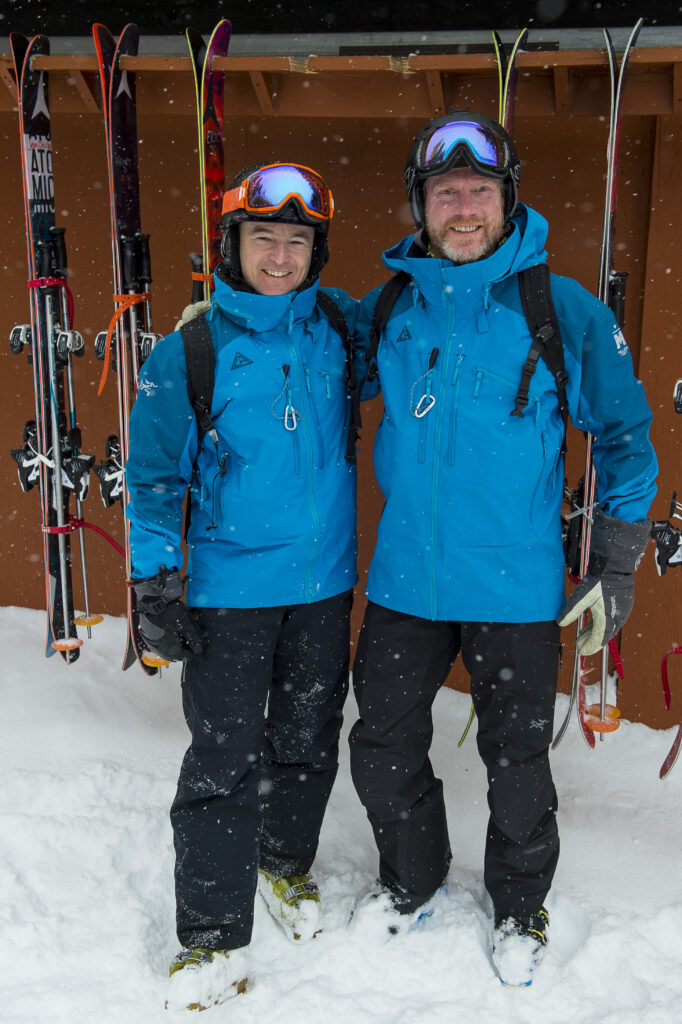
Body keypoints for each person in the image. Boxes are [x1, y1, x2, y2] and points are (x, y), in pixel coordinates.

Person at [348, 112, 657, 985]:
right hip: (408, 578)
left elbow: (627, 437)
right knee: (379, 748)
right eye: (445, 192)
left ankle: (520, 908)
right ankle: (414, 882)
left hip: (516, 586)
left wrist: (617, 563)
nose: (463, 208)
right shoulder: (396, 302)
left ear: (505, 197)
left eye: (478, 191)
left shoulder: (557, 308)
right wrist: (224, 320)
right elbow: (324, 357)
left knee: (517, 766)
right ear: (422, 205)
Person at [125, 163, 362, 1011]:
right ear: (234, 244)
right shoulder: (189, 349)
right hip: (230, 590)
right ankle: (211, 936)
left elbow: (423, 333)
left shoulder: (340, 328)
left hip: (325, 584)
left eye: (297, 241)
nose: (280, 255)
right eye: (264, 237)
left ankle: (285, 864)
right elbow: (153, 479)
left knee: (307, 736)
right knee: (223, 759)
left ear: (315, 253)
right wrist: (155, 584)